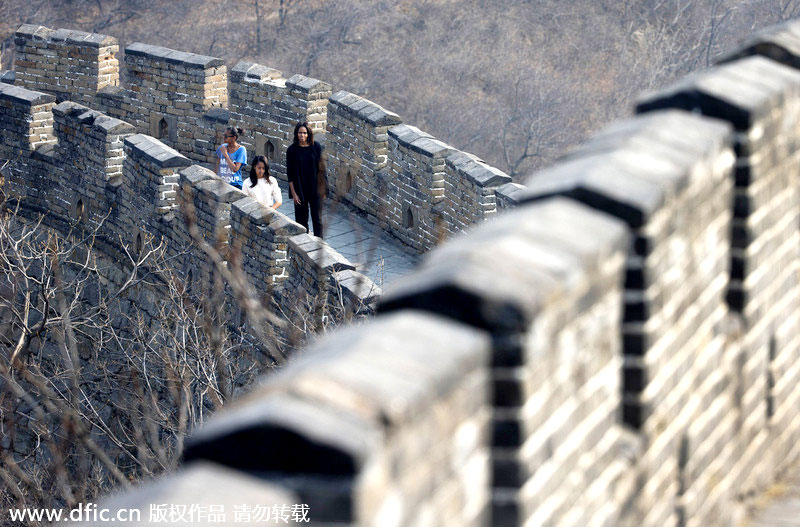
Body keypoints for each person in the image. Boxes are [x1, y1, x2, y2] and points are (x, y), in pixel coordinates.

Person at [286, 122, 326, 238]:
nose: (302, 135)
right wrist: (294, 194)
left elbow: (322, 170)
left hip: (315, 189)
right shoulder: (292, 150)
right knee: (301, 221)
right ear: (296, 134)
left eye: (304, 133)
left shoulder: (316, 147)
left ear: (308, 134)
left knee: (317, 220)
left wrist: (323, 190)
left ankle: (319, 246)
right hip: (300, 190)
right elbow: (290, 174)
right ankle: (303, 244)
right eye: (300, 133)